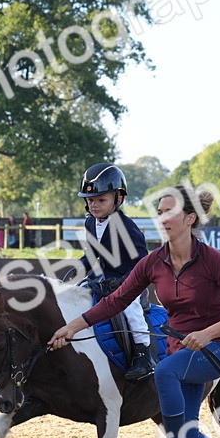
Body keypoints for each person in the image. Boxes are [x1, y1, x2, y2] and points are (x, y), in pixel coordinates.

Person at [47, 185, 220, 438]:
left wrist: (207, 333)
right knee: (191, 437)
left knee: (164, 373)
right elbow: (114, 302)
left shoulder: (214, 262)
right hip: (179, 350)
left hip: (215, 349)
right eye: (159, 212)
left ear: (189, 219)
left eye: (169, 212)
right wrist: (71, 328)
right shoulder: (153, 262)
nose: (162, 218)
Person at [73, 162, 153, 382]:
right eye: (90, 200)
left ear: (119, 199)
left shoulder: (128, 227)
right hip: (103, 280)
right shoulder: (90, 223)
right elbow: (91, 256)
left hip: (130, 283)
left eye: (101, 200)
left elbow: (142, 264)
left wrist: (124, 284)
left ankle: (142, 355)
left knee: (131, 308)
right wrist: (73, 275)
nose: (94, 205)